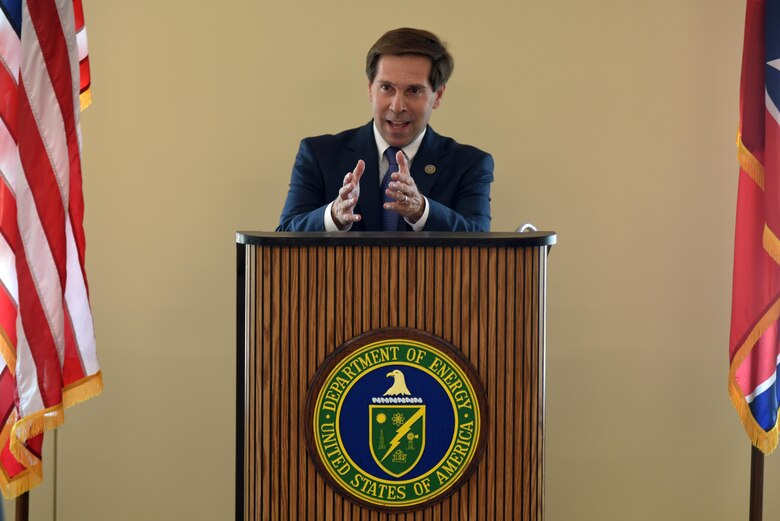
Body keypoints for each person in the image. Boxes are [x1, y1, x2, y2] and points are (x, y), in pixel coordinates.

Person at [276, 27, 493, 232]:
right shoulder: (319, 154)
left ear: (438, 96)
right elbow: (283, 234)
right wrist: (332, 216)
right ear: (370, 89)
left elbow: (481, 242)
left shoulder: (469, 164)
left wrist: (421, 211)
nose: (397, 106)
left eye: (414, 90)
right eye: (386, 88)